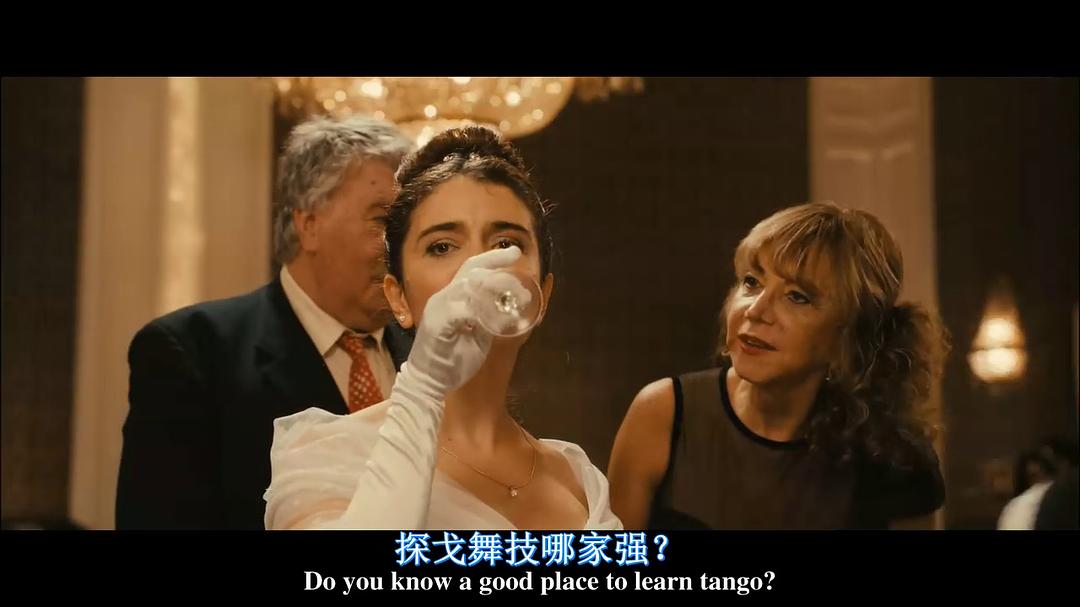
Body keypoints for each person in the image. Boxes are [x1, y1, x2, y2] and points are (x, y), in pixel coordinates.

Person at [264, 126, 621, 530]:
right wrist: (425, 383)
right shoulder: (329, 454)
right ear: (398, 299)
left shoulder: (577, 478)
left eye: (506, 244)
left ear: (542, 294)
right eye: (442, 247)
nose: (478, 269)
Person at [116, 116, 414, 529]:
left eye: (409, 226)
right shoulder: (192, 352)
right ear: (309, 225)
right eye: (383, 221)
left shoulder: (434, 355)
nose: (402, 246)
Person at [608, 202, 947, 529]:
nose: (756, 310)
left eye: (797, 296)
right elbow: (610, 564)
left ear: (848, 336)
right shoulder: (663, 413)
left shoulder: (895, 457)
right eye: (752, 282)